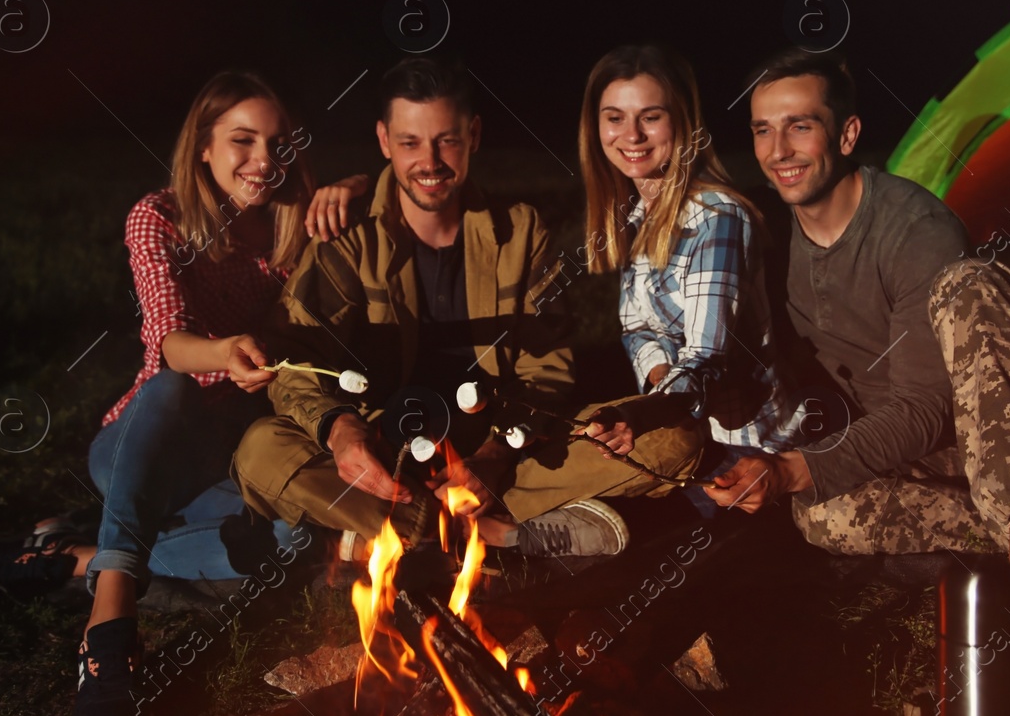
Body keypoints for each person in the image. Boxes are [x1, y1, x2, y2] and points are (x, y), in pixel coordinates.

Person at [0, 71, 366, 716]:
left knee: (294, 540)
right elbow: (167, 343)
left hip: (234, 456)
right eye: (243, 140)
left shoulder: (296, 220)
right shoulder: (159, 215)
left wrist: (355, 185)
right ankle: (108, 637)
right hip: (149, 435)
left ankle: (71, 559)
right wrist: (225, 349)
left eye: (278, 142)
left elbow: (399, 179)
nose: (264, 159)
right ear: (202, 145)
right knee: (173, 387)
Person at [231, 56, 702, 562]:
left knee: (672, 440)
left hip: (500, 454)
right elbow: (294, 359)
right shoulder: (347, 235)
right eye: (410, 143)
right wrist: (340, 429)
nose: (429, 162)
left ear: (473, 135)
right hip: (383, 457)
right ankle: (487, 536)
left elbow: (546, 367)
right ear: (385, 141)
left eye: (446, 141)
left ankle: (398, 539)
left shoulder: (520, 233)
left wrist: (495, 457)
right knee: (260, 450)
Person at [702, 50, 1010, 588]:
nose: (778, 151)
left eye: (800, 127)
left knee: (968, 282)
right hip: (896, 445)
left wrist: (795, 467)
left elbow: (930, 406)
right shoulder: (768, 238)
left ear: (846, 134)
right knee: (820, 514)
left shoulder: (914, 228)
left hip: (985, 428)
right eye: (763, 130)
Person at [572, 44, 804, 512]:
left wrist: (651, 412)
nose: (631, 135)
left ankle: (516, 521)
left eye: (650, 117)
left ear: (682, 122)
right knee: (575, 433)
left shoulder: (717, 217)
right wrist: (659, 387)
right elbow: (636, 328)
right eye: (614, 117)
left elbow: (707, 360)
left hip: (741, 447)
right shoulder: (639, 215)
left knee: (611, 459)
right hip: (681, 419)